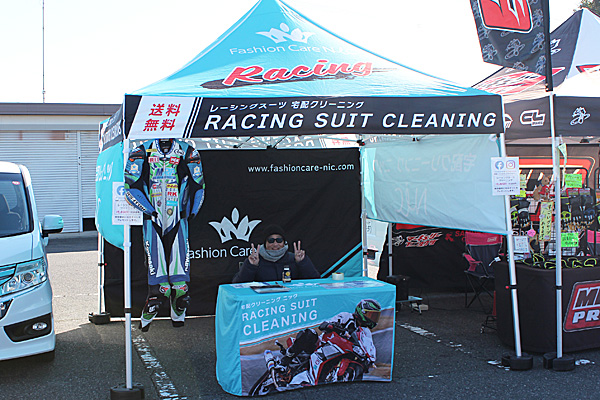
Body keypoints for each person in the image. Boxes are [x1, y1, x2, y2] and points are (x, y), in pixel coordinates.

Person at [124, 138, 205, 331]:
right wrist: (148, 210)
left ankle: (178, 315)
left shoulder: (187, 150)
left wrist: (193, 210)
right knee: (161, 289)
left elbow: (199, 185)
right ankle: (147, 316)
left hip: (179, 219)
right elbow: (130, 187)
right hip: (152, 220)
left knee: (180, 288)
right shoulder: (141, 150)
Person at [232, 224, 319, 283]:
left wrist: (302, 262)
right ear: (265, 243)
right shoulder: (256, 260)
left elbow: (316, 281)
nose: (275, 244)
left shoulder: (294, 258)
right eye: (271, 240)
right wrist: (251, 266)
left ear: (284, 242)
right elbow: (238, 285)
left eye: (279, 240)